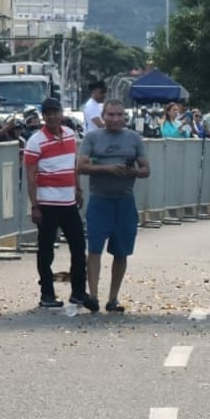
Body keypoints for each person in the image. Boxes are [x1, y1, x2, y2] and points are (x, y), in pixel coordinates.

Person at [77, 99, 150, 314]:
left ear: (124, 117)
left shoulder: (134, 139)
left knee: (121, 251)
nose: (115, 119)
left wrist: (132, 172)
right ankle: (93, 296)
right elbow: (81, 166)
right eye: (111, 114)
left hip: (125, 201)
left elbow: (146, 169)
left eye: (119, 115)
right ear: (104, 115)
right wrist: (107, 168)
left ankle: (113, 298)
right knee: (94, 249)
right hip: (100, 200)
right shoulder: (92, 138)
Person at [24, 98, 97, 311]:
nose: (52, 117)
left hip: (68, 201)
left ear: (61, 113)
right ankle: (47, 292)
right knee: (46, 250)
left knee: (78, 245)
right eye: (48, 113)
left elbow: (73, 165)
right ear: (43, 116)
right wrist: (35, 205)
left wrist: (78, 188)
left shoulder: (70, 135)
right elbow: (30, 176)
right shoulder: (35, 141)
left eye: (55, 112)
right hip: (47, 202)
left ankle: (78, 291)